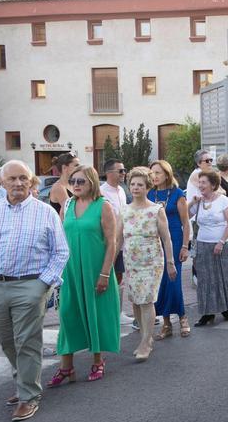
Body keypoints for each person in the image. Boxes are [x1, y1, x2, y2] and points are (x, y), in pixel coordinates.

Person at [0, 160, 69, 421]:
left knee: (27, 341)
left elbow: (61, 252)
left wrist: (43, 283)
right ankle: (24, 382)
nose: (18, 183)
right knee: (7, 340)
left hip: (31, 286)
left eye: (24, 178)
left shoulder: (45, 212)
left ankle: (28, 396)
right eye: (12, 179)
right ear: (2, 183)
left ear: (31, 182)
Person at [50, 165, 120, 385]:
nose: (76, 186)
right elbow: (60, 238)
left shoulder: (103, 206)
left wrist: (105, 273)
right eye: (73, 181)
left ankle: (98, 360)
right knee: (68, 315)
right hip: (71, 270)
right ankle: (66, 367)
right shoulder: (68, 204)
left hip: (95, 270)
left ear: (92, 182)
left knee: (96, 314)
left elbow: (112, 242)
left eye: (81, 181)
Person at [121, 167, 175, 361]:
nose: (135, 188)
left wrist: (171, 262)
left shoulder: (155, 210)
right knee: (135, 300)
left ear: (147, 187)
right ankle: (145, 336)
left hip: (152, 261)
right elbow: (118, 239)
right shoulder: (124, 209)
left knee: (147, 300)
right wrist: (111, 262)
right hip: (131, 261)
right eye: (133, 184)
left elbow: (167, 238)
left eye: (140, 185)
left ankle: (146, 341)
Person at [190, 168, 228, 326]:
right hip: (202, 244)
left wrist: (221, 242)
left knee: (222, 277)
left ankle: (226, 309)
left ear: (213, 185)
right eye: (199, 182)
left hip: (220, 244)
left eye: (203, 182)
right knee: (205, 279)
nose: (200, 185)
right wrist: (193, 201)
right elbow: (185, 215)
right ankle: (208, 313)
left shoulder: (223, 200)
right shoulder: (199, 201)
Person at [150, 159, 191, 338]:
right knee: (160, 283)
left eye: (158, 172)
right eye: (152, 173)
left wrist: (185, 246)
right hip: (155, 242)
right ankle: (166, 323)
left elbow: (186, 222)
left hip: (174, 240)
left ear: (167, 174)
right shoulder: (149, 194)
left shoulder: (177, 193)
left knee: (173, 280)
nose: (154, 176)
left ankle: (182, 317)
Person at [100, 159, 130, 323]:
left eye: (124, 170)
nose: (124, 173)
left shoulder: (122, 191)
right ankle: (108, 313)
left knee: (119, 277)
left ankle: (118, 313)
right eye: (121, 171)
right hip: (108, 243)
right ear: (109, 173)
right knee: (107, 276)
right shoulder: (101, 192)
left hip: (122, 243)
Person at [48, 151, 80, 217]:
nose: (79, 168)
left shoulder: (73, 184)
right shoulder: (58, 187)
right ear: (64, 168)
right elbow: (71, 210)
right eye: (76, 165)